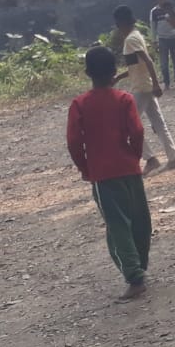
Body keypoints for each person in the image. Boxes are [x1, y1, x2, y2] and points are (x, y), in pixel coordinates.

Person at [66, 46, 152, 300]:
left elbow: (74, 141)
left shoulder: (80, 104)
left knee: (117, 225)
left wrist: (85, 168)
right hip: (129, 168)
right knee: (140, 220)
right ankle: (140, 266)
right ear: (115, 71)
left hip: (102, 174)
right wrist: (134, 155)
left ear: (88, 73)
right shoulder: (124, 99)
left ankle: (134, 276)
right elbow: (137, 131)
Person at [111, 5, 175, 174]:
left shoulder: (131, 40)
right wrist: (118, 78)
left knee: (128, 123)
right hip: (145, 85)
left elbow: (148, 61)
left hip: (141, 87)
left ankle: (150, 158)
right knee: (158, 123)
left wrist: (157, 84)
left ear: (120, 24)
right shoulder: (136, 36)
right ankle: (173, 157)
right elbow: (136, 66)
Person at [148, 0, 175, 85]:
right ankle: (167, 83)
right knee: (164, 64)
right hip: (162, 39)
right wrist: (154, 41)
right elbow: (153, 27)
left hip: (174, 37)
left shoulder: (171, 8)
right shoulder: (154, 11)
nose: (163, 0)